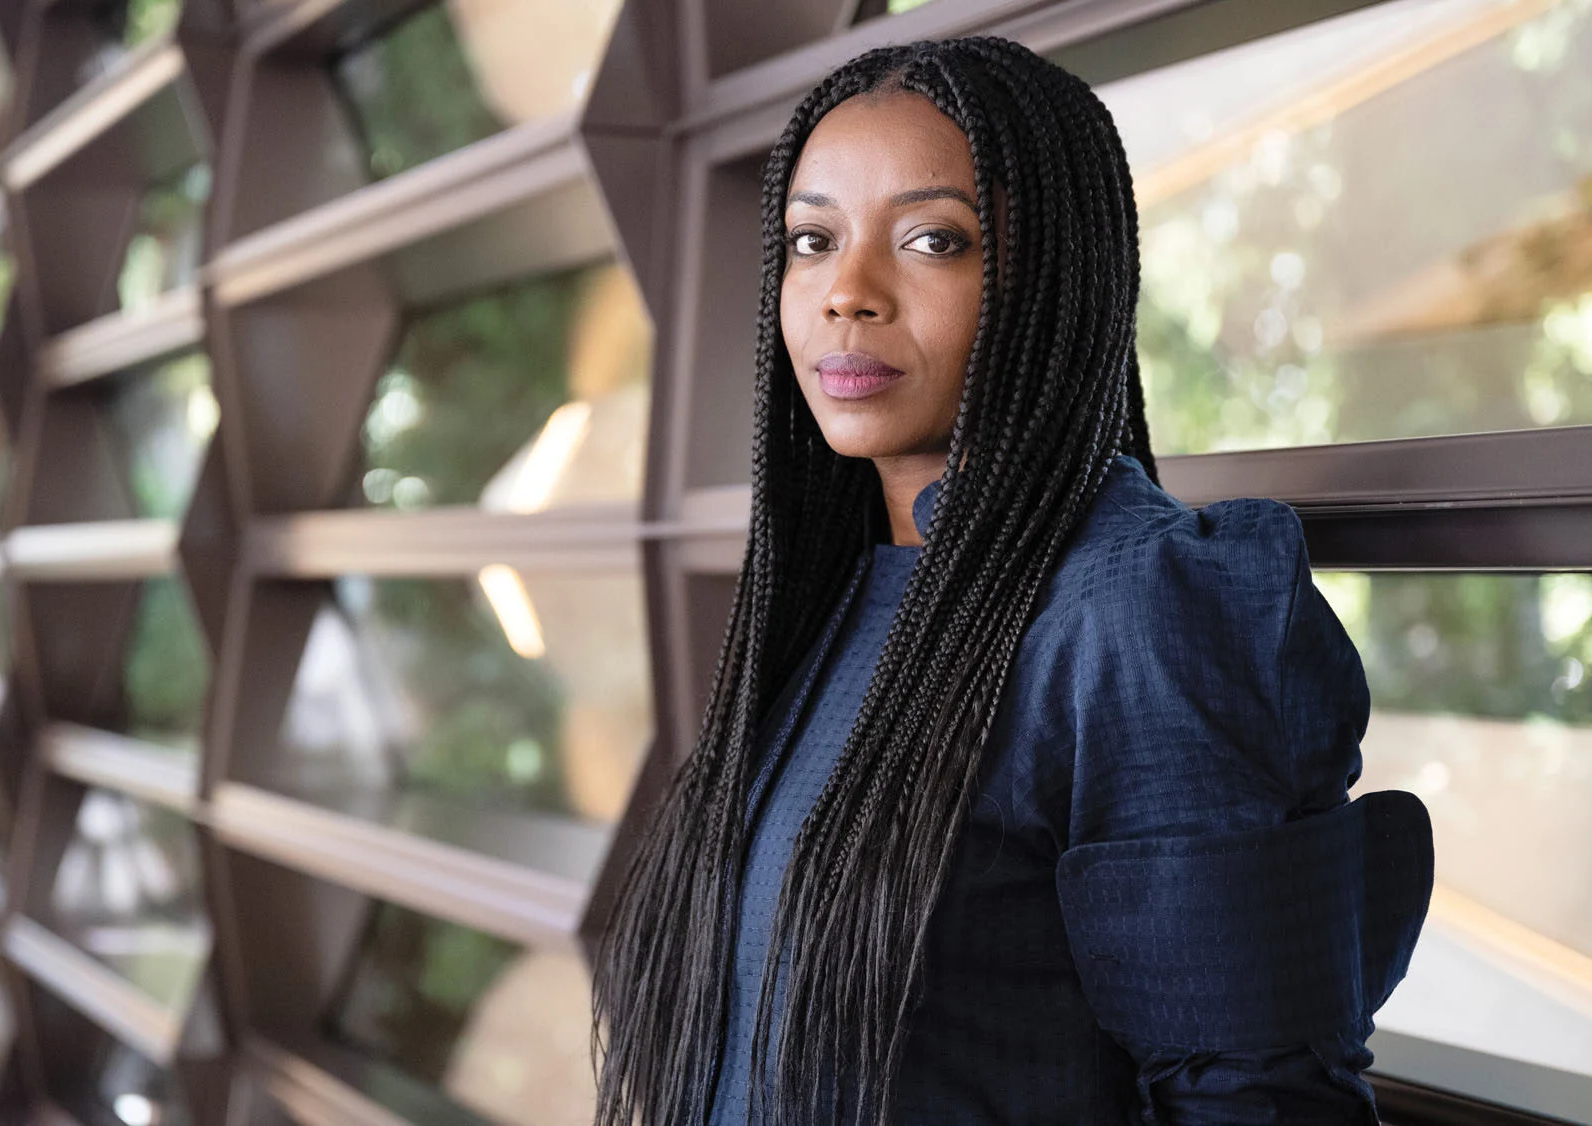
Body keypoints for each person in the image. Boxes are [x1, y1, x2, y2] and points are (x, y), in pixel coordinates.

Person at [589, 35, 1434, 1126]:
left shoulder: (1136, 608)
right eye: (812, 240)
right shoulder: (825, 596)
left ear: (1053, 276)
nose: (848, 293)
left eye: (933, 240)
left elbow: (1256, 1104)